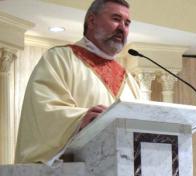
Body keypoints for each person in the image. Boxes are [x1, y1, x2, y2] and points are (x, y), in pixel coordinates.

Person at [15, 0, 140, 164]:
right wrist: (80, 120)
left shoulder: (129, 79)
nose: (122, 28)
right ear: (92, 20)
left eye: (127, 23)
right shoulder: (59, 59)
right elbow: (43, 113)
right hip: (71, 174)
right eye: (116, 19)